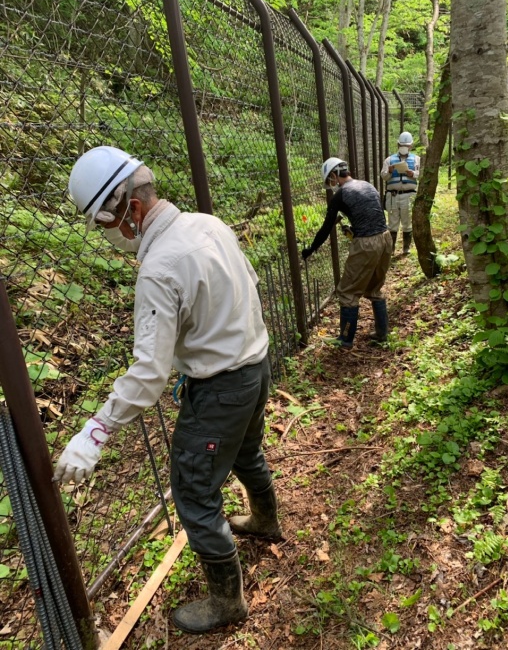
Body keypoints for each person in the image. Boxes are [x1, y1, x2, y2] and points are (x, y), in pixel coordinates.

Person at [53, 146, 282, 634]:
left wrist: (96, 430)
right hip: (256, 365)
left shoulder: (159, 266)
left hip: (220, 389)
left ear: (129, 209)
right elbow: (247, 289)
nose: (107, 235)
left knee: (194, 490)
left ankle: (228, 601)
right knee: (247, 452)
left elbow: (148, 372)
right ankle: (265, 520)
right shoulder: (208, 224)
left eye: (103, 222)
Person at [301, 157, 392, 349]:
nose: (331, 185)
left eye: (330, 180)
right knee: (374, 288)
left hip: (366, 244)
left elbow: (326, 228)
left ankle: (345, 339)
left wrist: (310, 249)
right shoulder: (367, 185)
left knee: (347, 291)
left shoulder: (340, 195)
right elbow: (373, 213)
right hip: (385, 238)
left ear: (334, 175)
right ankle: (382, 333)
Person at [380, 131, 421, 255]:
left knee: (407, 221)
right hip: (393, 195)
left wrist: (412, 173)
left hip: (409, 194)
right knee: (392, 222)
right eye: (402, 145)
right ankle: (391, 249)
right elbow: (383, 176)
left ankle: (406, 248)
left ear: (411, 146)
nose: (405, 148)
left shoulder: (416, 159)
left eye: (407, 146)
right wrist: (390, 171)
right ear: (398, 145)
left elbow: (421, 174)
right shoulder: (389, 160)